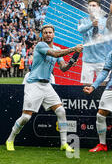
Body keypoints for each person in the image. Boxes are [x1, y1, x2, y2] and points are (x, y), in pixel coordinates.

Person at [5, 24, 83, 152]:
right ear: (42, 35)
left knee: (61, 111)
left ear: (53, 34)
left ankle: (64, 143)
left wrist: (70, 63)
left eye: (50, 32)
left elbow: (63, 68)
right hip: (33, 84)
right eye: (45, 32)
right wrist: (74, 49)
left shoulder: (57, 48)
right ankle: (10, 139)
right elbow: (55, 54)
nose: (48, 34)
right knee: (26, 117)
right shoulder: (41, 46)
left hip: (46, 85)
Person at [78, 0, 109, 85]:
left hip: (102, 59)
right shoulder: (83, 21)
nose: (91, 7)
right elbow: (80, 30)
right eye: (90, 5)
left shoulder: (105, 21)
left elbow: (108, 37)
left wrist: (102, 38)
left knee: (103, 86)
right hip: (88, 60)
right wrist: (92, 24)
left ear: (99, 8)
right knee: (86, 87)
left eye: (94, 5)